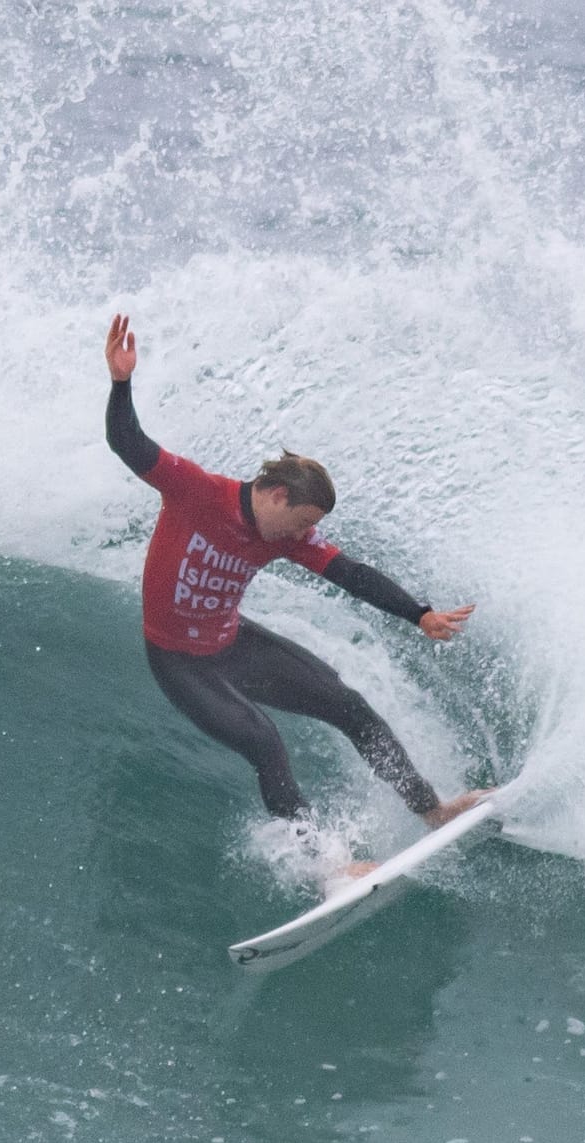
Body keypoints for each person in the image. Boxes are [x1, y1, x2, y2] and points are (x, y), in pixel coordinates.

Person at [102, 313, 489, 831]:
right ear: (278, 496)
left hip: (232, 644)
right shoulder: (196, 491)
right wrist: (121, 383)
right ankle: (326, 864)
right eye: (302, 522)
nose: (301, 535)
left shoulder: (286, 535)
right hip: (179, 663)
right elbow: (129, 444)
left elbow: (351, 574)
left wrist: (418, 614)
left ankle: (432, 810)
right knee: (264, 742)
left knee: (352, 708)